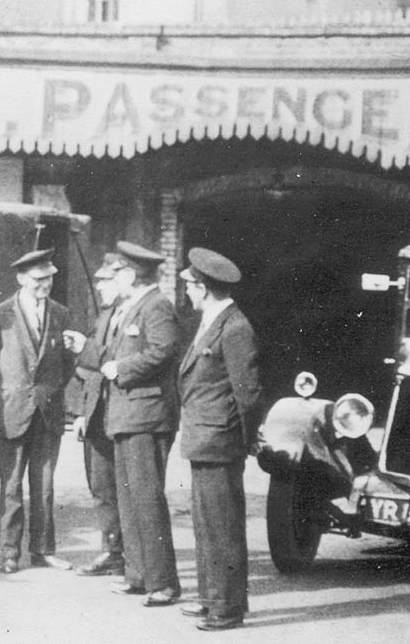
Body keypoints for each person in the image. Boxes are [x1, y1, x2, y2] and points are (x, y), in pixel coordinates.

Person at [177, 247, 263, 631]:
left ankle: (226, 609)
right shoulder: (213, 321)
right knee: (207, 526)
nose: (187, 292)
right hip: (205, 439)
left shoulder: (235, 327)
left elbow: (249, 394)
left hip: (220, 442)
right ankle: (211, 598)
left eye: (190, 286)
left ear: (203, 287)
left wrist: (246, 440)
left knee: (222, 528)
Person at [0, 248, 75, 574]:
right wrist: (1, 398)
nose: (44, 285)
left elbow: (67, 363)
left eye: (49, 279)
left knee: (44, 487)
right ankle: (9, 553)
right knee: (10, 487)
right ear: (21, 279)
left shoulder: (61, 314)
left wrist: (50, 392)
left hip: (48, 412)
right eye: (38, 279)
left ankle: (43, 551)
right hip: (12, 412)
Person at [98, 241, 181, 607]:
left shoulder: (157, 305)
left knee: (147, 501)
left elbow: (164, 350)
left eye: (118, 272)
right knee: (130, 500)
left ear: (131, 275)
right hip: (128, 416)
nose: (115, 278)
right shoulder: (134, 306)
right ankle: (138, 575)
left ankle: (163, 583)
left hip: (147, 417)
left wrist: (122, 368)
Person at [63, 253, 125, 577]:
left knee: (126, 489)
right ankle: (113, 551)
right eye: (98, 280)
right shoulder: (104, 317)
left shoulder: (132, 315)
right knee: (102, 487)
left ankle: (133, 557)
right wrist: (81, 412)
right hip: (98, 414)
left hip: (123, 415)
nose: (99, 287)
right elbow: (88, 369)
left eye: (106, 281)